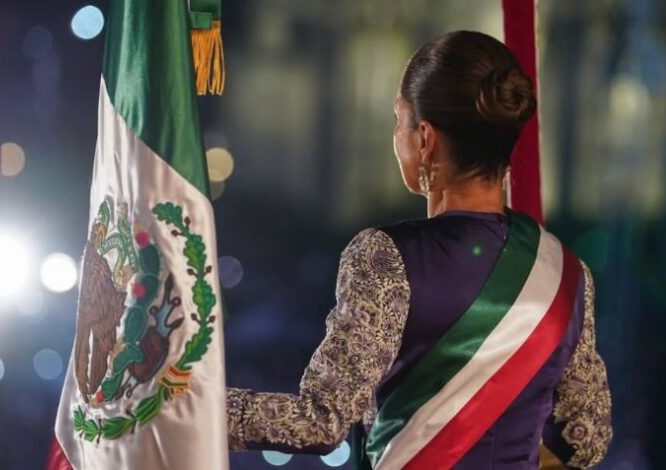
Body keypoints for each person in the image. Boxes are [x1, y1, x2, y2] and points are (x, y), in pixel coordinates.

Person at [225, 31, 612, 469]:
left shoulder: (383, 259)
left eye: (399, 119)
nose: (396, 135)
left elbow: (322, 421)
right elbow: (586, 438)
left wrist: (193, 407)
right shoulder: (566, 270)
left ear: (425, 138)